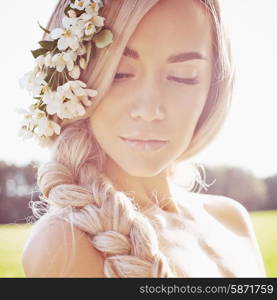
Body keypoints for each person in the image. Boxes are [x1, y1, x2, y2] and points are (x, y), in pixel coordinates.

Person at [20, 0, 266, 277]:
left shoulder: (232, 221)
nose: (150, 111)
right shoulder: (64, 245)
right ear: (73, 82)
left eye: (183, 77)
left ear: (213, 88)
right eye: (120, 74)